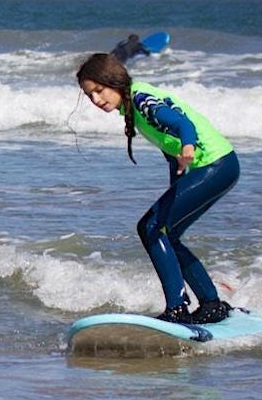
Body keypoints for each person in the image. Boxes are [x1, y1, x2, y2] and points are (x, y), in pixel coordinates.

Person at [76, 53, 240, 324]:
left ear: (113, 81)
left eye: (99, 90)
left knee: (150, 227)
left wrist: (187, 146)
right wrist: (176, 183)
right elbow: (170, 151)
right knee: (167, 233)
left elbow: (182, 124)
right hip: (220, 166)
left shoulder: (142, 101)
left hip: (214, 165)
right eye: (90, 95)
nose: (96, 100)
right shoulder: (134, 102)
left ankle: (177, 307)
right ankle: (211, 304)